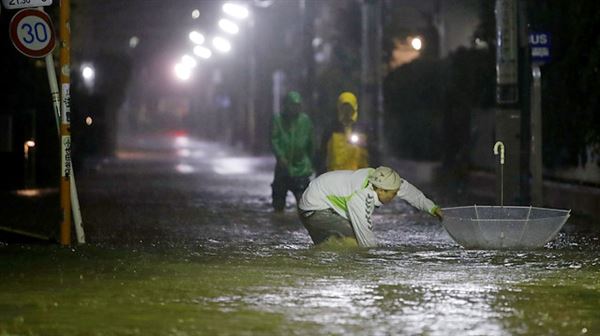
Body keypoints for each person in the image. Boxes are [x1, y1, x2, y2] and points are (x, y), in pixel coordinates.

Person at [298, 166, 443, 247]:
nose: (395, 197)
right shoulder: (360, 198)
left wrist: (432, 208)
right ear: (380, 190)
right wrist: (376, 262)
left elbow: (411, 193)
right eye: (393, 194)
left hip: (325, 203)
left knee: (337, 244)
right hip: (313, 210)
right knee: (352, 243)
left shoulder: (382, 179)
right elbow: (366, 238)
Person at [270, 91, 315, 212]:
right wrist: (280, 156)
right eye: (292, 105)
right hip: (283, 168)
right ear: (286, 105)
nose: (295, 108)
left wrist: (310, 162)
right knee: (278, 202)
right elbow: (274, 139)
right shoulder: (278, 120)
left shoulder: (305, 121)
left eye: (297, 105)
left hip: (301, 168)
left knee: (305, 205)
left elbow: (311, 143)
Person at [318, 91, 371, 174]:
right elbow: (323, 154)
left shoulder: (363, 129)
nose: (346, 111)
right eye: (344, 107)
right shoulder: (331, 129)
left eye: (349, 107)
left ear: (354, 108)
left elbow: (373, 152)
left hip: (357, 177)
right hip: (335, 176)